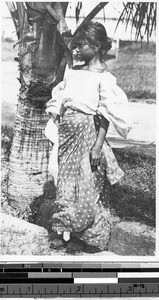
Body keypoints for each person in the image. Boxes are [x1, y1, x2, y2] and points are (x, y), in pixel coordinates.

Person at [45, 21, 132, 254]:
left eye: (80, 45)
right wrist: (59, 17)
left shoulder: (105, 78)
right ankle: (64, 231)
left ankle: (87, 238)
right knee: (65, 183)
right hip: (68, 136)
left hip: (88, 137)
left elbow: (104, 115)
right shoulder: (75, 70)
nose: (75, 50)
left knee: (87, 185)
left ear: (95, 46)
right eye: (75, 46)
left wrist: (97, 146)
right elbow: (66, 44)